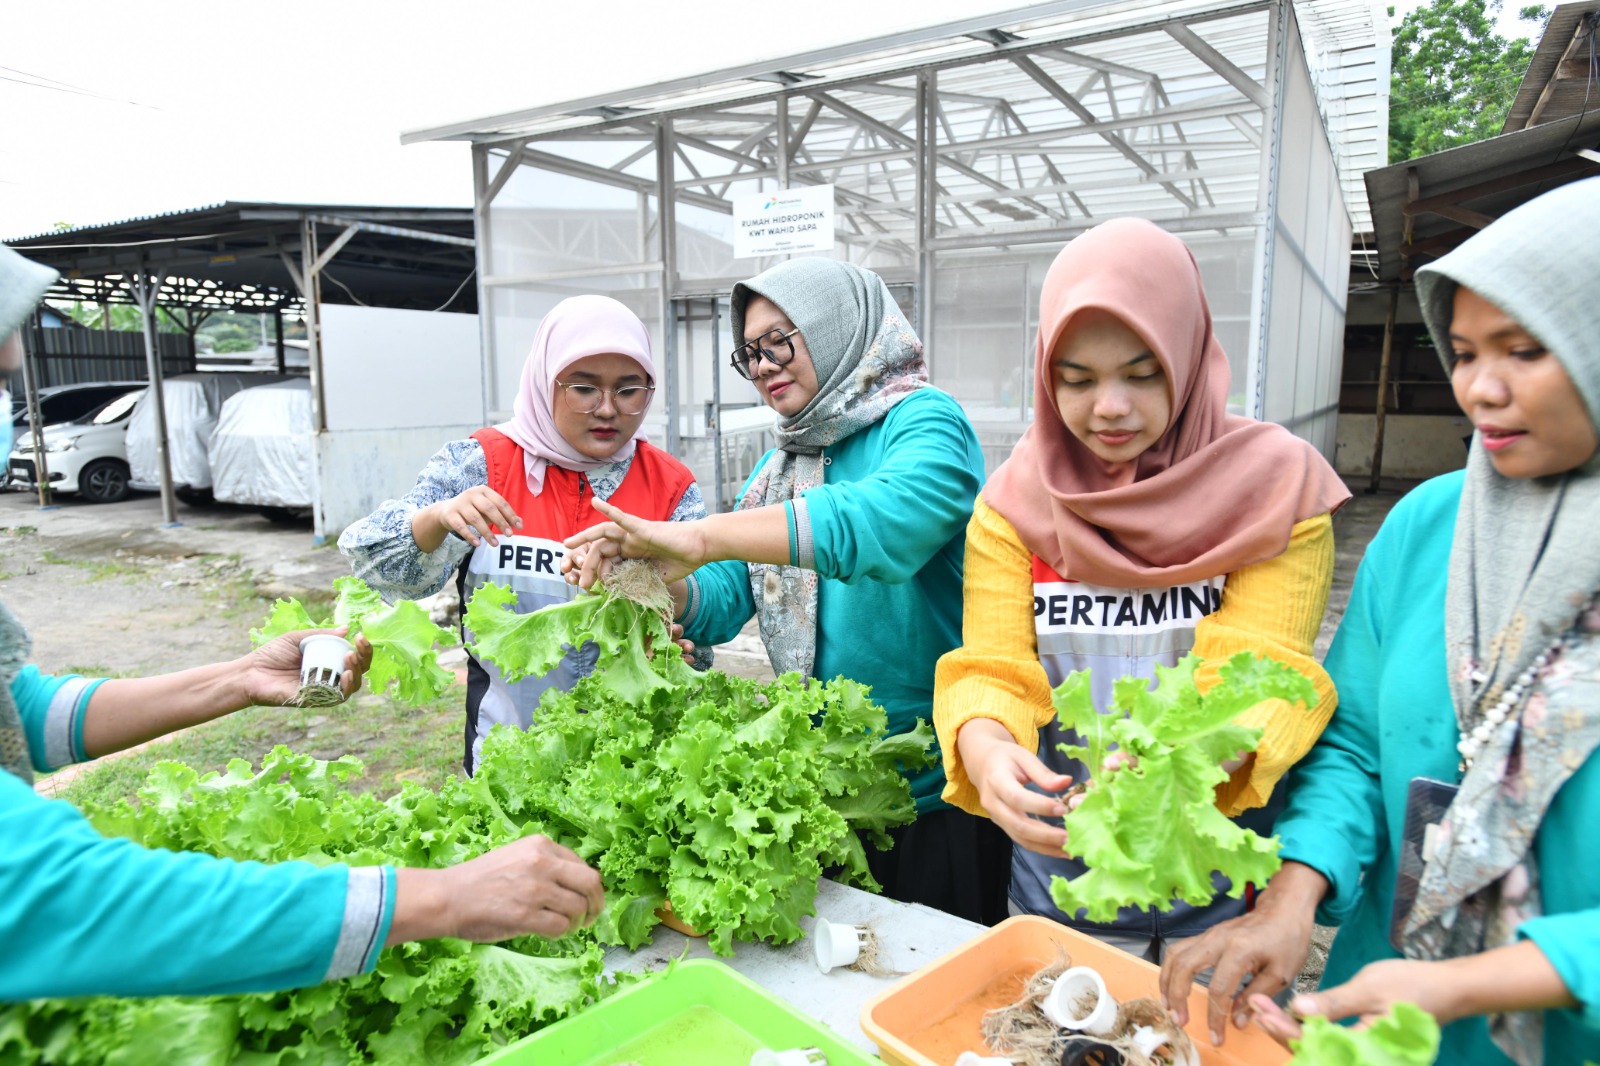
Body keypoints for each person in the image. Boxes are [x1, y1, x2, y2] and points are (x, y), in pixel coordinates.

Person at [0, 242, 604, 1001]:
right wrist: (443, 898)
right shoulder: (484, 458)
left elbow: (20, 715)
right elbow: (56, 901)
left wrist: (238, 679)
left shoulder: (666, 479)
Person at [1159, 178, 1600, 1063]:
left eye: (1524, 350)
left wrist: (1468, 984)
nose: (1481, 389)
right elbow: (1357, 744)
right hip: (1381, 1003)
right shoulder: (1430, 526)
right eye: (1464, 353)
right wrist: (1293, 894)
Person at [931, 218, 1349, 962]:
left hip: (1217, 893)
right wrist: (988, 747)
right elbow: (994, 666)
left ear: (1187, 356)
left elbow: (1264, 669)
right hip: (1062, 877)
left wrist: (1185, 753)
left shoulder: (1274, 491)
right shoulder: (1013, 507)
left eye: (1142, 372)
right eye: (1077, 379)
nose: (1110, 407)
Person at [564, 257, 1012, 925]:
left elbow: (884, 523)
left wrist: (705, 536)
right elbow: (727, 591)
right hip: (831, 791)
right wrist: (650, 582)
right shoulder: (782, 469)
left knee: (942, 971)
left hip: (942, 791)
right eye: (750, 353)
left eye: (779, 341)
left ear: (835, 327)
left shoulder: (925, 421)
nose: (764, 365)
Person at [339, 295, 707, 773]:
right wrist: (438, 517)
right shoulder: (481, 464)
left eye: (629, 390)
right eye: (583, 388)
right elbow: (381, 569)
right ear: (544, 380)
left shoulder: (671, 486)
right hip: (505, 760)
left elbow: (700, 625)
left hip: (630, 766)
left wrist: (675, 639)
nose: (607, 409)